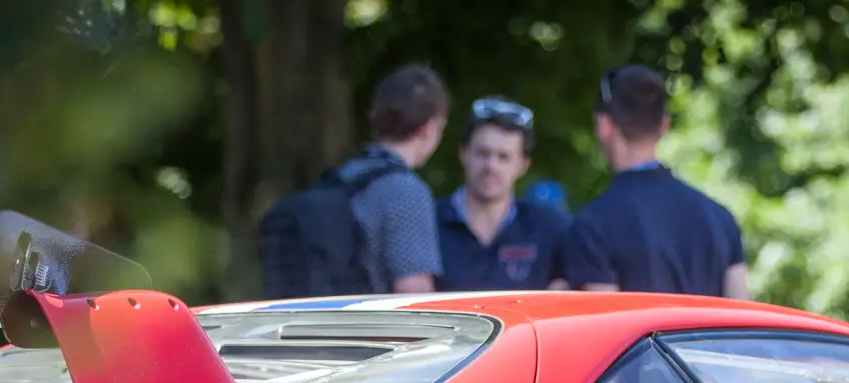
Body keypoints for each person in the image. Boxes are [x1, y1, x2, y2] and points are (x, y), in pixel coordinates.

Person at [259, 64, 447, 297]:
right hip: (372, 330)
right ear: (428, 128)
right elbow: (413, 291)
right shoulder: (406, 191)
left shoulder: (345, 175)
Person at [563, 64, 749, 299]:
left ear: (604, 126)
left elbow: (603, 328)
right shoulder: (721, 219)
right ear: (664, 125)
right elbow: (742, 320)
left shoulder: (592, 226)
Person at [435, 97, 570, 291]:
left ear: (522, 165)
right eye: (483, 153)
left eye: (504, 157)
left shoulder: (549, 227)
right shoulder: (429, 222)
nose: (491, 166)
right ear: (463, 152)